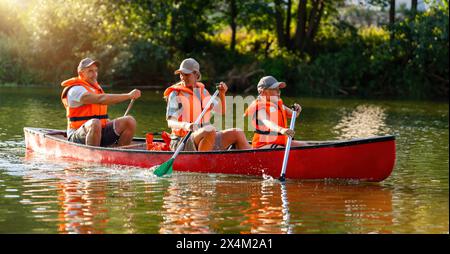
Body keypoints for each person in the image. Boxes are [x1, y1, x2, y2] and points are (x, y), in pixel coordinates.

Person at [164, 58, 251, 151]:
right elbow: (170, 122)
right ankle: (202, 162)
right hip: (181, 141)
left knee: (237, 132)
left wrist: (222, 94)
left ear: (196, 74)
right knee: (210, 130)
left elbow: (221, 111)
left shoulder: (203, 92)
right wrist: (187, 126)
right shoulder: (175, 94)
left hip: (206, 137)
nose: (183, 77)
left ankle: (252, 163)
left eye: (186, 74)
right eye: (181, 74)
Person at [61, 58, 141, 147]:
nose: (94, 74)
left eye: (95, 71)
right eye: (90, 71)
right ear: (81, 74)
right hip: (77, 134)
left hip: (98, 131)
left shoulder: (96, 89)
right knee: (95, 123)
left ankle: (120, 153)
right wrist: (129, 96)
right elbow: (101, 99)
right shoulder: (75, 90)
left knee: (129, 121)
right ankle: (93, 156)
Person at [244, 76, 305, 149]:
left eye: (278, 89)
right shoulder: (260, 108)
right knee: (280, 149)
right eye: (274, 89)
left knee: (305, 145)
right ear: (262, 92)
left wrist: (297, 110)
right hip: (262, 145)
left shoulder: (278, 104)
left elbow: (294, 115)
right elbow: (268, 123)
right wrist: (281, 129)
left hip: (280, 142)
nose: (278, 92)